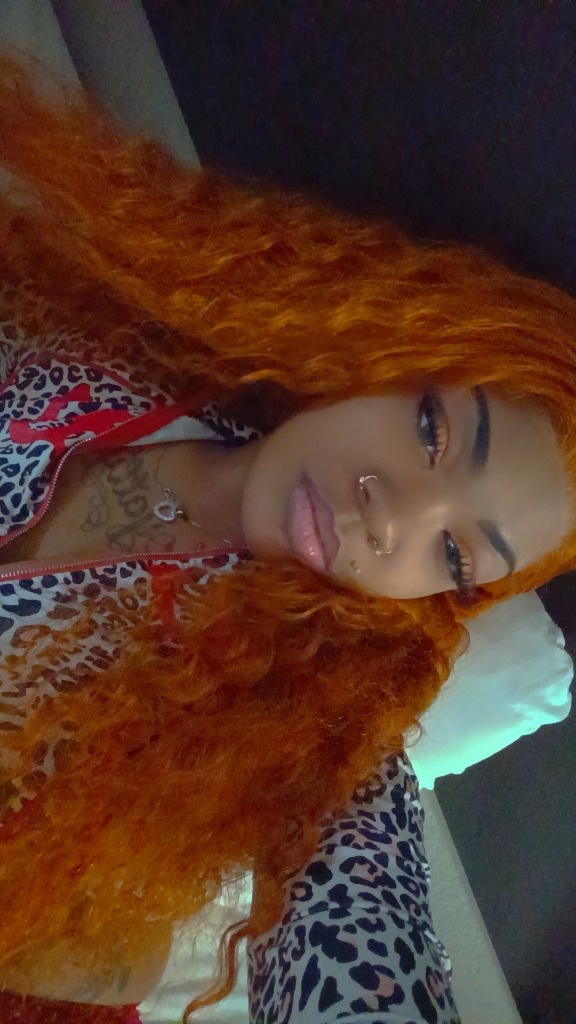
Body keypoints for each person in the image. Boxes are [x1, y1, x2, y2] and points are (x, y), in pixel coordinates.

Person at [0, 49, 574, 1024]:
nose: (390, 514)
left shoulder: (319, 730)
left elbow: (359, 941)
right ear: (384, 354)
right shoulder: (128, 339)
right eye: (431, 430)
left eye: (452, 554)